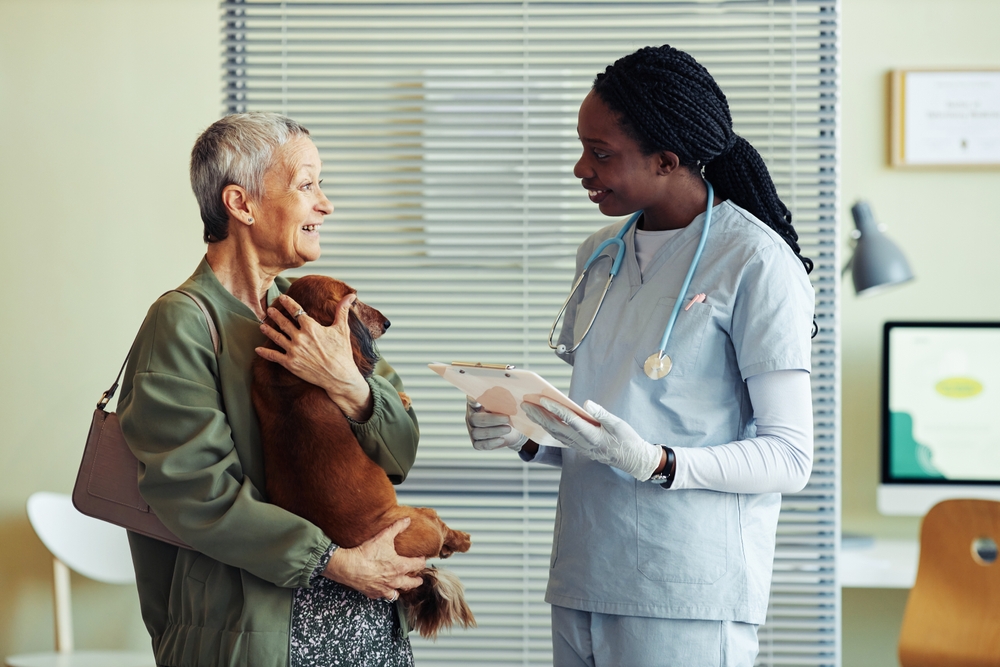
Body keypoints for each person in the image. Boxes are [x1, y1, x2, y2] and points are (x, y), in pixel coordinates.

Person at [466, 45, 816, 666]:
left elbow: (789, 457)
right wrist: (523, 432)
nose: (580, 168)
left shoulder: (756, 262)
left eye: (601, 154)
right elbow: (609, 433)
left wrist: (658, 462)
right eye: (582, 147)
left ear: (667, 160)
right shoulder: (600, 253)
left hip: (686, 588)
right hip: (584, 575)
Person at [118, 112, 425, 667]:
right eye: (307, 185)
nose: (325, 205)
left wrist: (347, 382)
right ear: (241, 204)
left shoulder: (316, 310)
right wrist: (336, 562)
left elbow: (401, 452)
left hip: (370, 626)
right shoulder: (183, 322)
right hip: (259, 638)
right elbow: (197, 494)